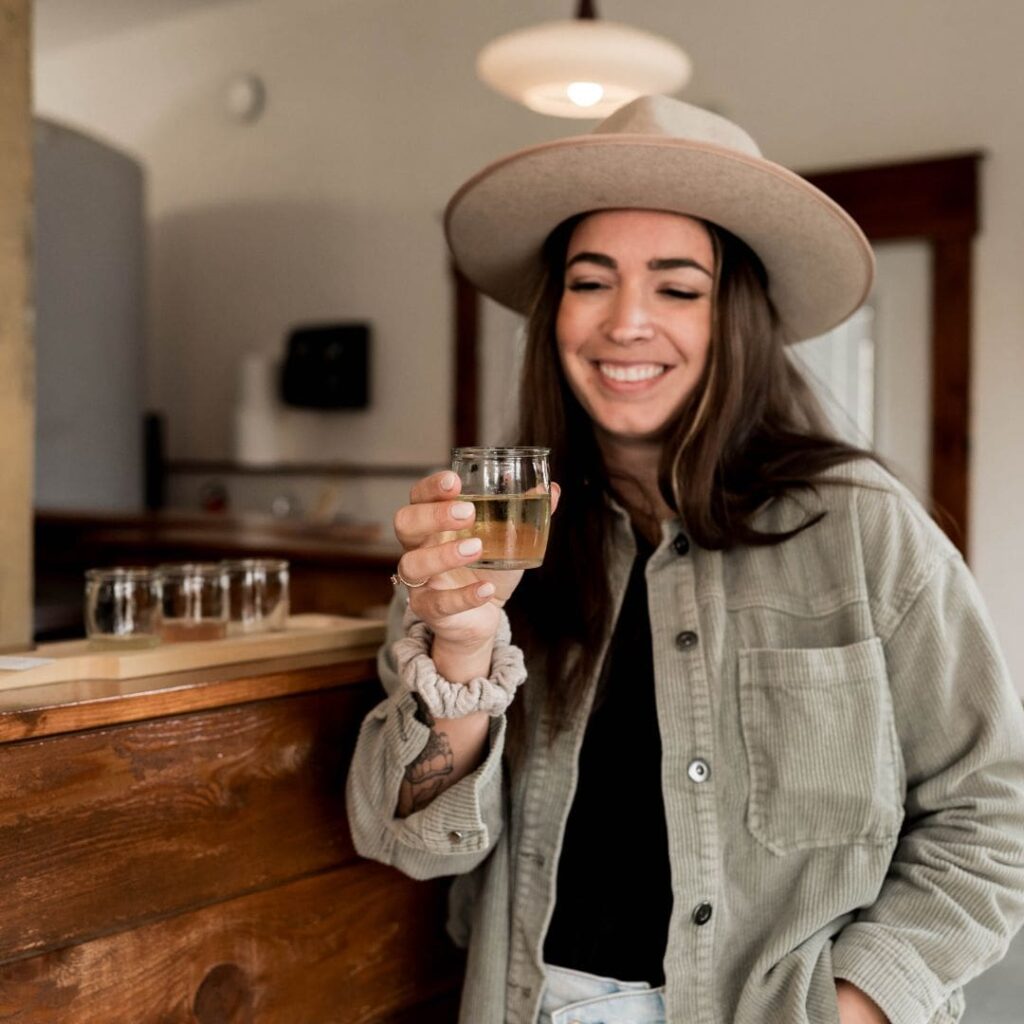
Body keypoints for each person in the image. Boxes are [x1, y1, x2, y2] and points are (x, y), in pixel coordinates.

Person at [346, 96, 1024, 1024]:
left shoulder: (864, 528)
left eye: (677, 287)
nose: (627, 323)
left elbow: (994, 815)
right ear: (554, 314)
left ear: (732, 316)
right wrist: (462, 646)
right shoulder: (476, 545)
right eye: (591, 282)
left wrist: (859, 1004)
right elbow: (412, 845)